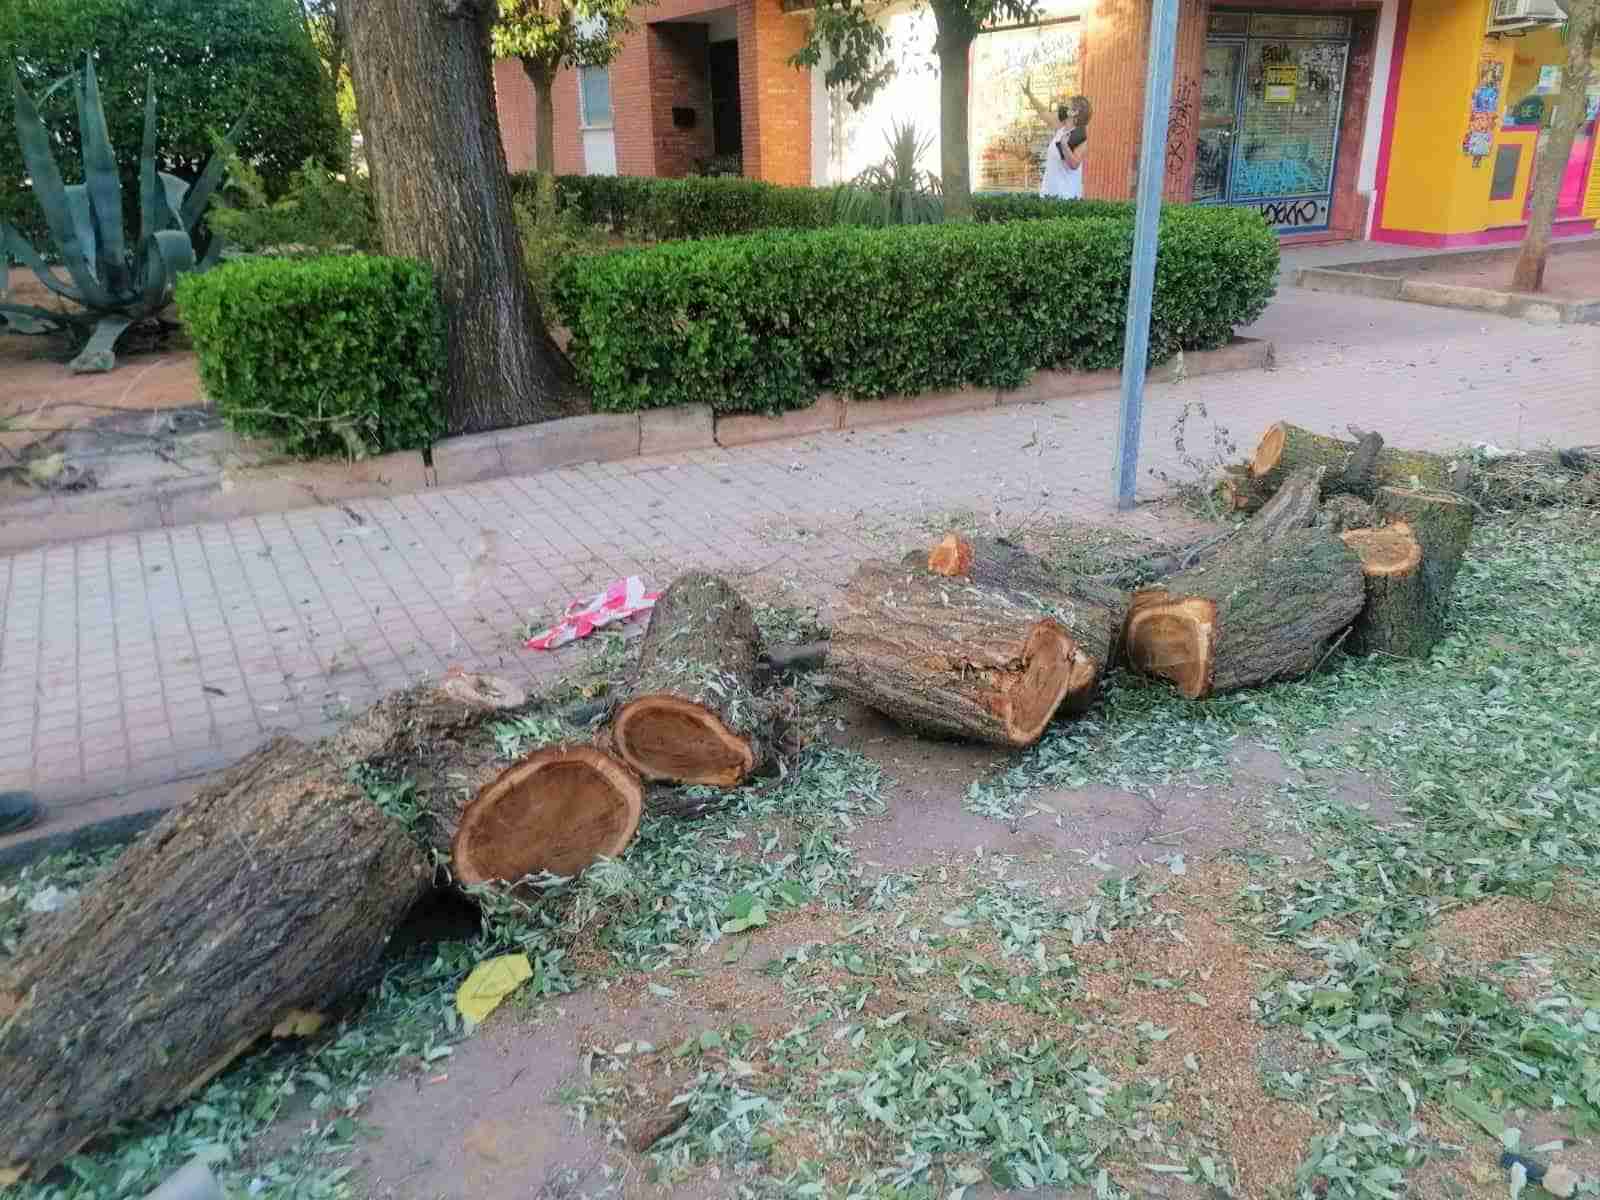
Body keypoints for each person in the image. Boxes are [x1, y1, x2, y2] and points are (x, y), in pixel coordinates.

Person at [1040, 95, 1091, 201]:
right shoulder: (1061, 129)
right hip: (1048, 194)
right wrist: (1029, 94)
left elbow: (1074, 164)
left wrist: (1064, 146)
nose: (1063, 107)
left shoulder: (1079, 137)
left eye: (1067, 105)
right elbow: (1043, 113)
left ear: (1074, 112)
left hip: (1065, 198)